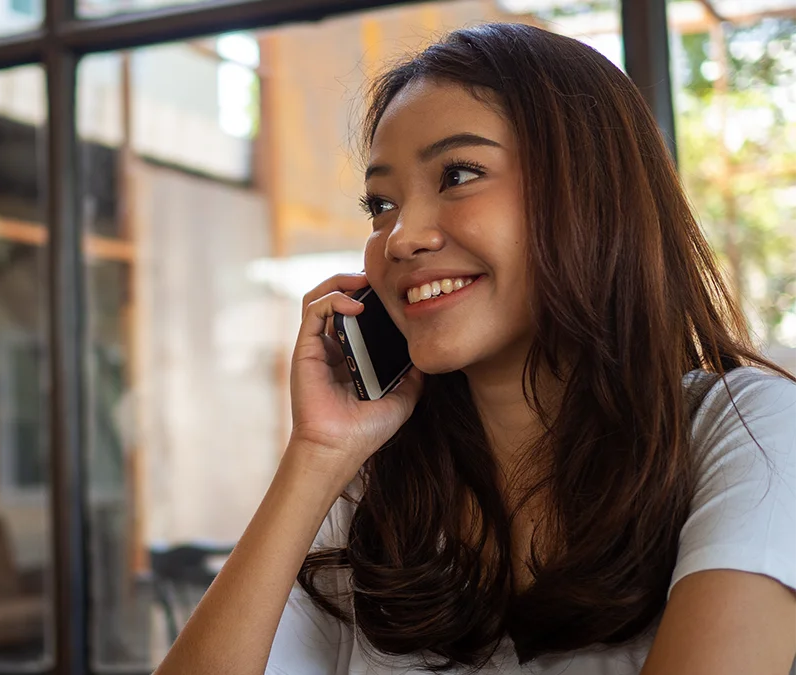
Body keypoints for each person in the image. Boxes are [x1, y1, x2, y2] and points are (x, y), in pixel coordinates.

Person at [153, 22, 796, 675]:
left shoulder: (754, 429)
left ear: (592, 196)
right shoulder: (374, 493)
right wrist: (316, 455)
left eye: (458, 174)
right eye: (381, 202)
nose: (400, 237)